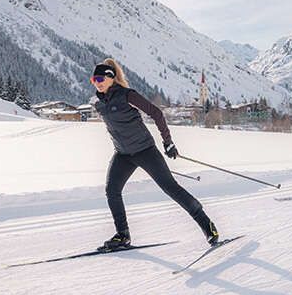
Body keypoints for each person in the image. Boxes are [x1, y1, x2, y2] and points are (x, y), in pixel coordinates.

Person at [91, 59, 220, 250]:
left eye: (100, 78)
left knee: (171, 188)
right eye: (94, 79)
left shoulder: (128, 95)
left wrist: (167, 142)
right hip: (123, 155)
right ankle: (123, 235)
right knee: (112, 190)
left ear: (111, 78)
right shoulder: (99, 105)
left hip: (145, 150)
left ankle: (207, 225)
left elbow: (156, 113)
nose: (97, 82)